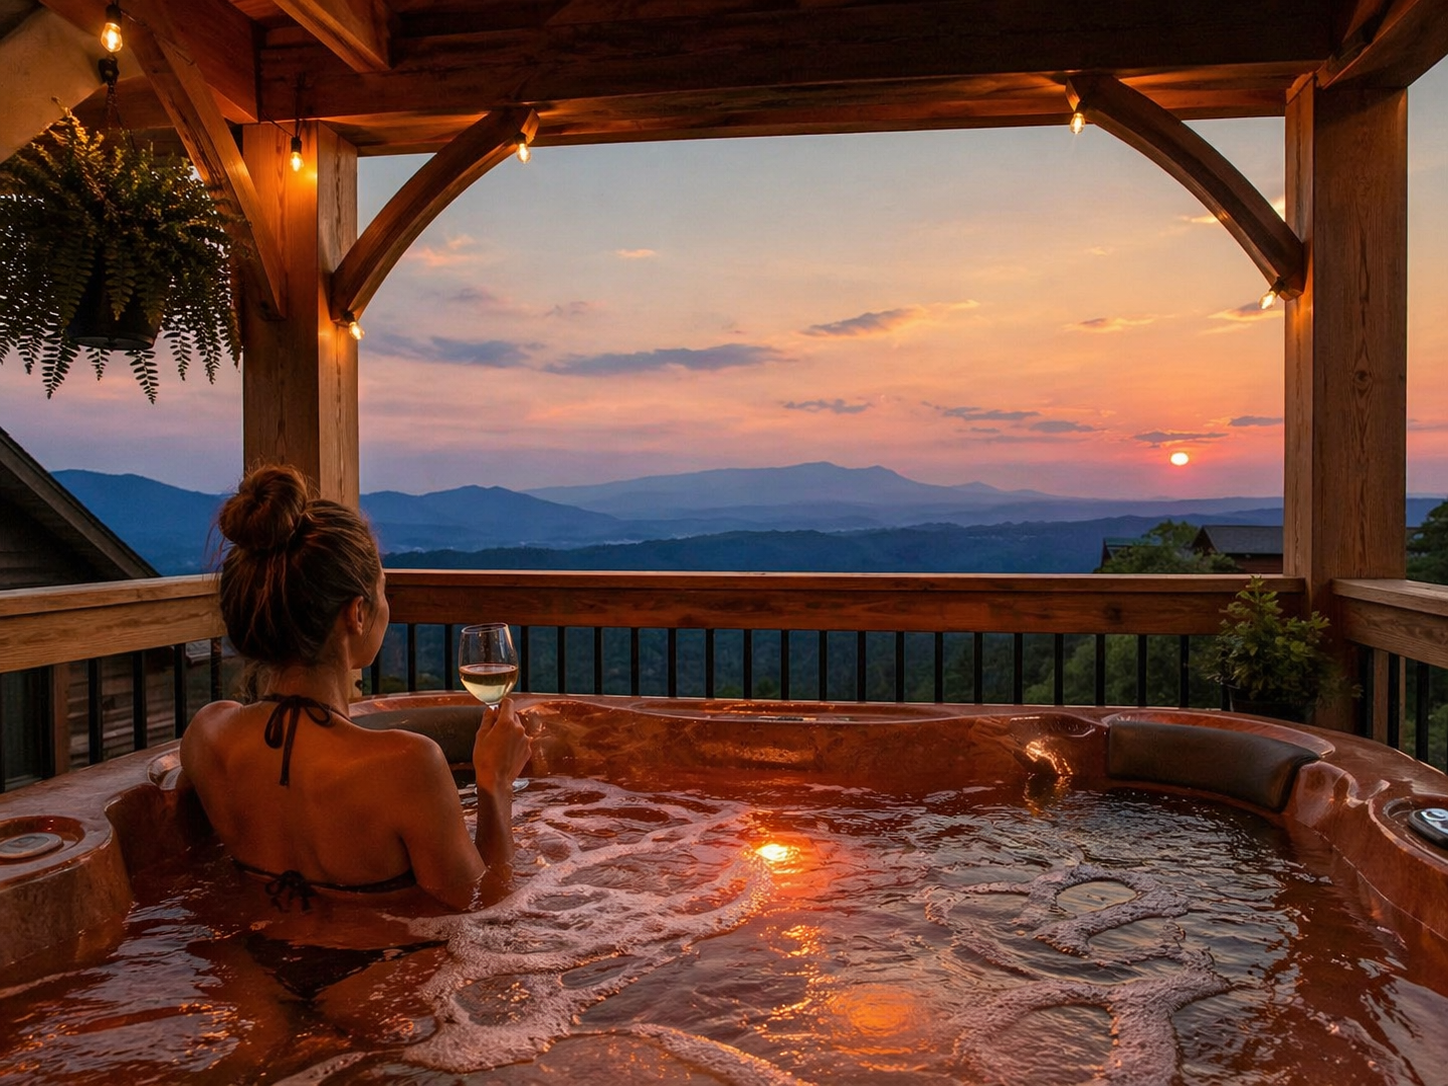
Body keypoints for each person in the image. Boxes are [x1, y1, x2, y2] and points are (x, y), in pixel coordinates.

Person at [180, 463, 531, 911]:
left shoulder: (207, 736)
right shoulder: (405, 765)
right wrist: (495, 784)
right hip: (386, 970)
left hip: (257, 956)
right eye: (383, 590)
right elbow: (485, 906)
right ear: (357, 613)